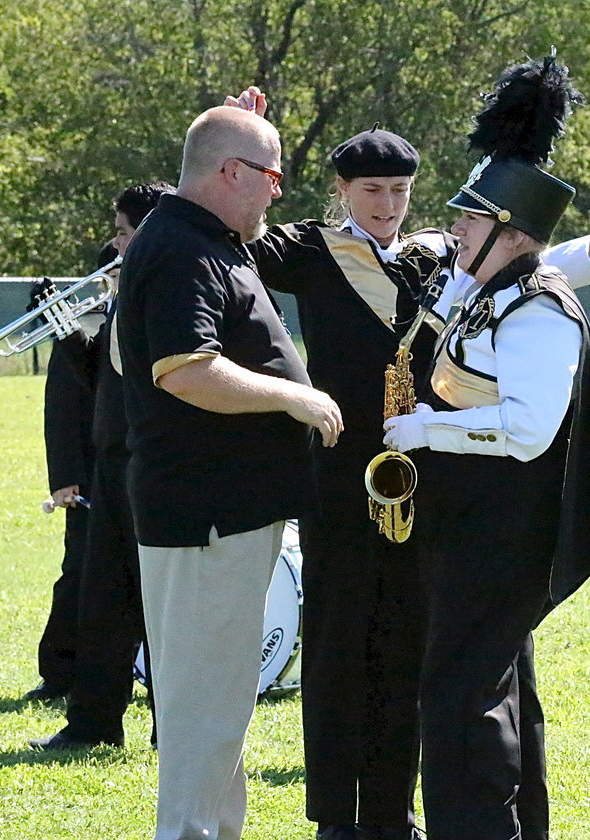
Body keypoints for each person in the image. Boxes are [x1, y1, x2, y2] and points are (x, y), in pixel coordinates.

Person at [225, 84, 590, 840]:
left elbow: (545, 262)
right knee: (342, 651)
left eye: (401, 191)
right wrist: (247, 142)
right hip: (344, 478)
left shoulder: (444, 255)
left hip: (432, 485)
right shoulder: (310, 248)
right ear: (341, 190)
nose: (389, 205)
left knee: (427, 658)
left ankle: (416, 813)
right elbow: (228, 229)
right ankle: (346, 814)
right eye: (372, 191)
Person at [381, 55, 590, 840]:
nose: (456, 233)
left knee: (458, 701)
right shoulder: (491, 293)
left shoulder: (539, 309)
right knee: (502, 692)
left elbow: (527, 430)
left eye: (472, 224)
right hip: (475, 525)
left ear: (511, 234)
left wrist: (424, 430)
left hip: (507, 532)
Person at [116, 105, 341, 840]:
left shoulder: (203, 234)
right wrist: (297, 396)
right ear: (233, 174)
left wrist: (241, 122)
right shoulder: (182, 245)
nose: (278, 193)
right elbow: (186, 370)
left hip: (222, 518)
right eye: (271, 175)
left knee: (217, 718)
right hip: (205, 521)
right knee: (201, 720)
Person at [30, 181, 175, 751]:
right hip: (112, 465)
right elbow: (99, 380)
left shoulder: (166, 291)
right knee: (104, 600)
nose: (113, 246)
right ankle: (93, 722)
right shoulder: (121, 292)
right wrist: (66, 331)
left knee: (163, 608)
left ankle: (173, 727)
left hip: (158, 466)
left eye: (122, 232)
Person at [24, 265, 100, 703]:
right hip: (91, 474)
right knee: (78, 573)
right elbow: (62, 403)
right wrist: (65, 477)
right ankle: (59, 670)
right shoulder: (81, 327)